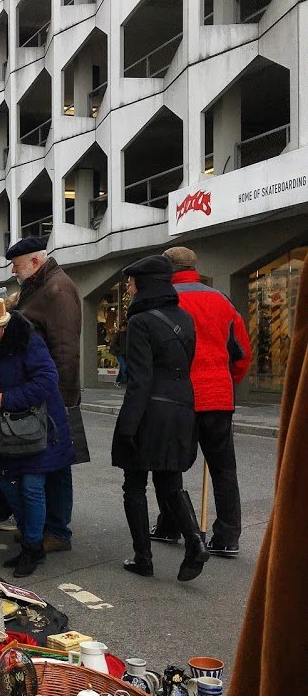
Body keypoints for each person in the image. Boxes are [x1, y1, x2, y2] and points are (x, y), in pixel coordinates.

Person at [111, 254, 208, 582]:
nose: (129, 288)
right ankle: (195, 539)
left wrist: (128, 425)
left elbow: (140, 378)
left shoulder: (140, 321)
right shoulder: (184, 318)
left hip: (149, 409)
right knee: (169, 481)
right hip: (182, 406)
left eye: (132, 282)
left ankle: (143, 557)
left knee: (134, 483)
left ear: (145, 283)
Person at [149, 246, 252, 557]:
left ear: (167, 269)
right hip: (218, 395)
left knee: (169, 465)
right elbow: (242, 353)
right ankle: (227, 536)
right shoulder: (222, 300)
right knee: (224, 469)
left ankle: (171, 525)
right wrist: (226, 381)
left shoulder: (166, 301)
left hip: (180, 397)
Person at [0, 296, 74, 578]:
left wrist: (8, 399)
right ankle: (32, 541)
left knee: (31, 487)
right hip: (10, 429)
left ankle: (32, 547)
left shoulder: (28, 341)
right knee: (8, 483)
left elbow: (47, 381)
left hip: (38, 429)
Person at [7, 236, 85, 553]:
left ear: (35, 262)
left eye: (17, 266)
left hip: (54, 396)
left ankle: (57, 531)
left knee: (57, 466)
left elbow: (65, 350)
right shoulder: (41, 286)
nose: (14, 272)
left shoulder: (56, 289)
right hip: (45, 392)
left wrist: (62, 401)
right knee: (48, 463)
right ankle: (44, 527)